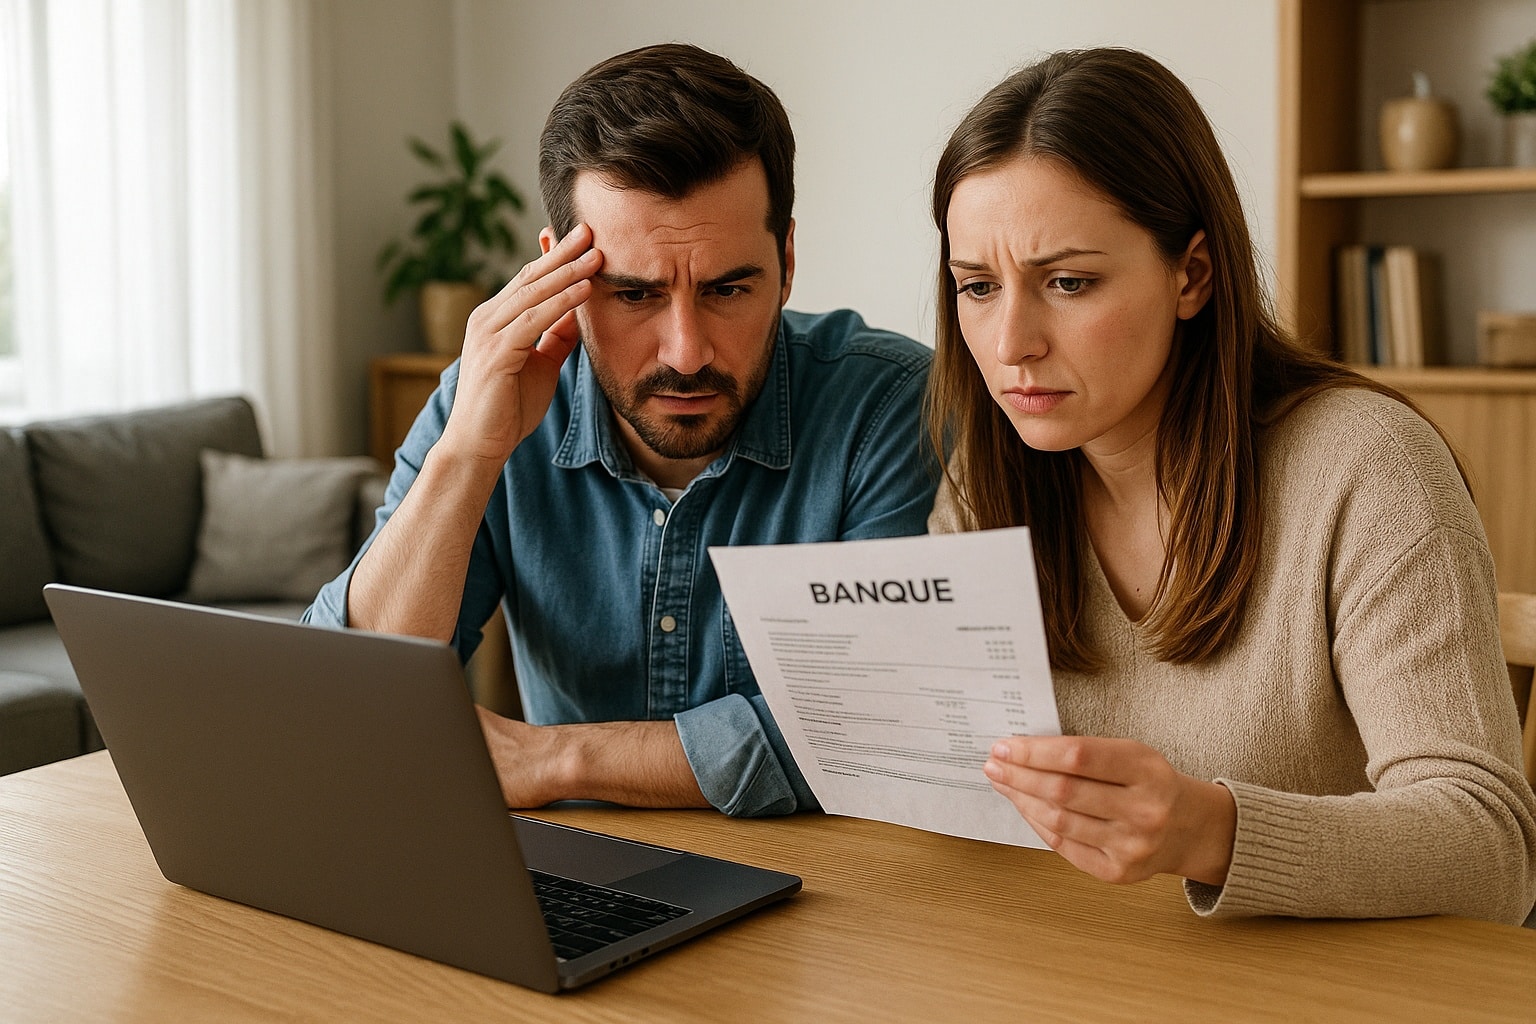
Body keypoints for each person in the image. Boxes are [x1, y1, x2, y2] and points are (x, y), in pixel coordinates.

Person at [926, 47, 1536, 923]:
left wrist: (1209, 831)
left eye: (1068, 282)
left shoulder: (1366, 467)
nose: (1011, 341)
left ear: (1193, 275)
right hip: (1082, 972)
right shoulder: (984, 481)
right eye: (977, 287)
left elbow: (1494, 854)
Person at [306, 44, 934, 817]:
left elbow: (886, 725)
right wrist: (469, 453)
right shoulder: (486, 402)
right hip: (571, 884)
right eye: (634, 294)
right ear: (557, 277)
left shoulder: (890, 405)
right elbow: (361, 702)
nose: (687, 351)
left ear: (788, 259)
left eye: (728, 289)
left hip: (828, 891)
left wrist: (560, 757)